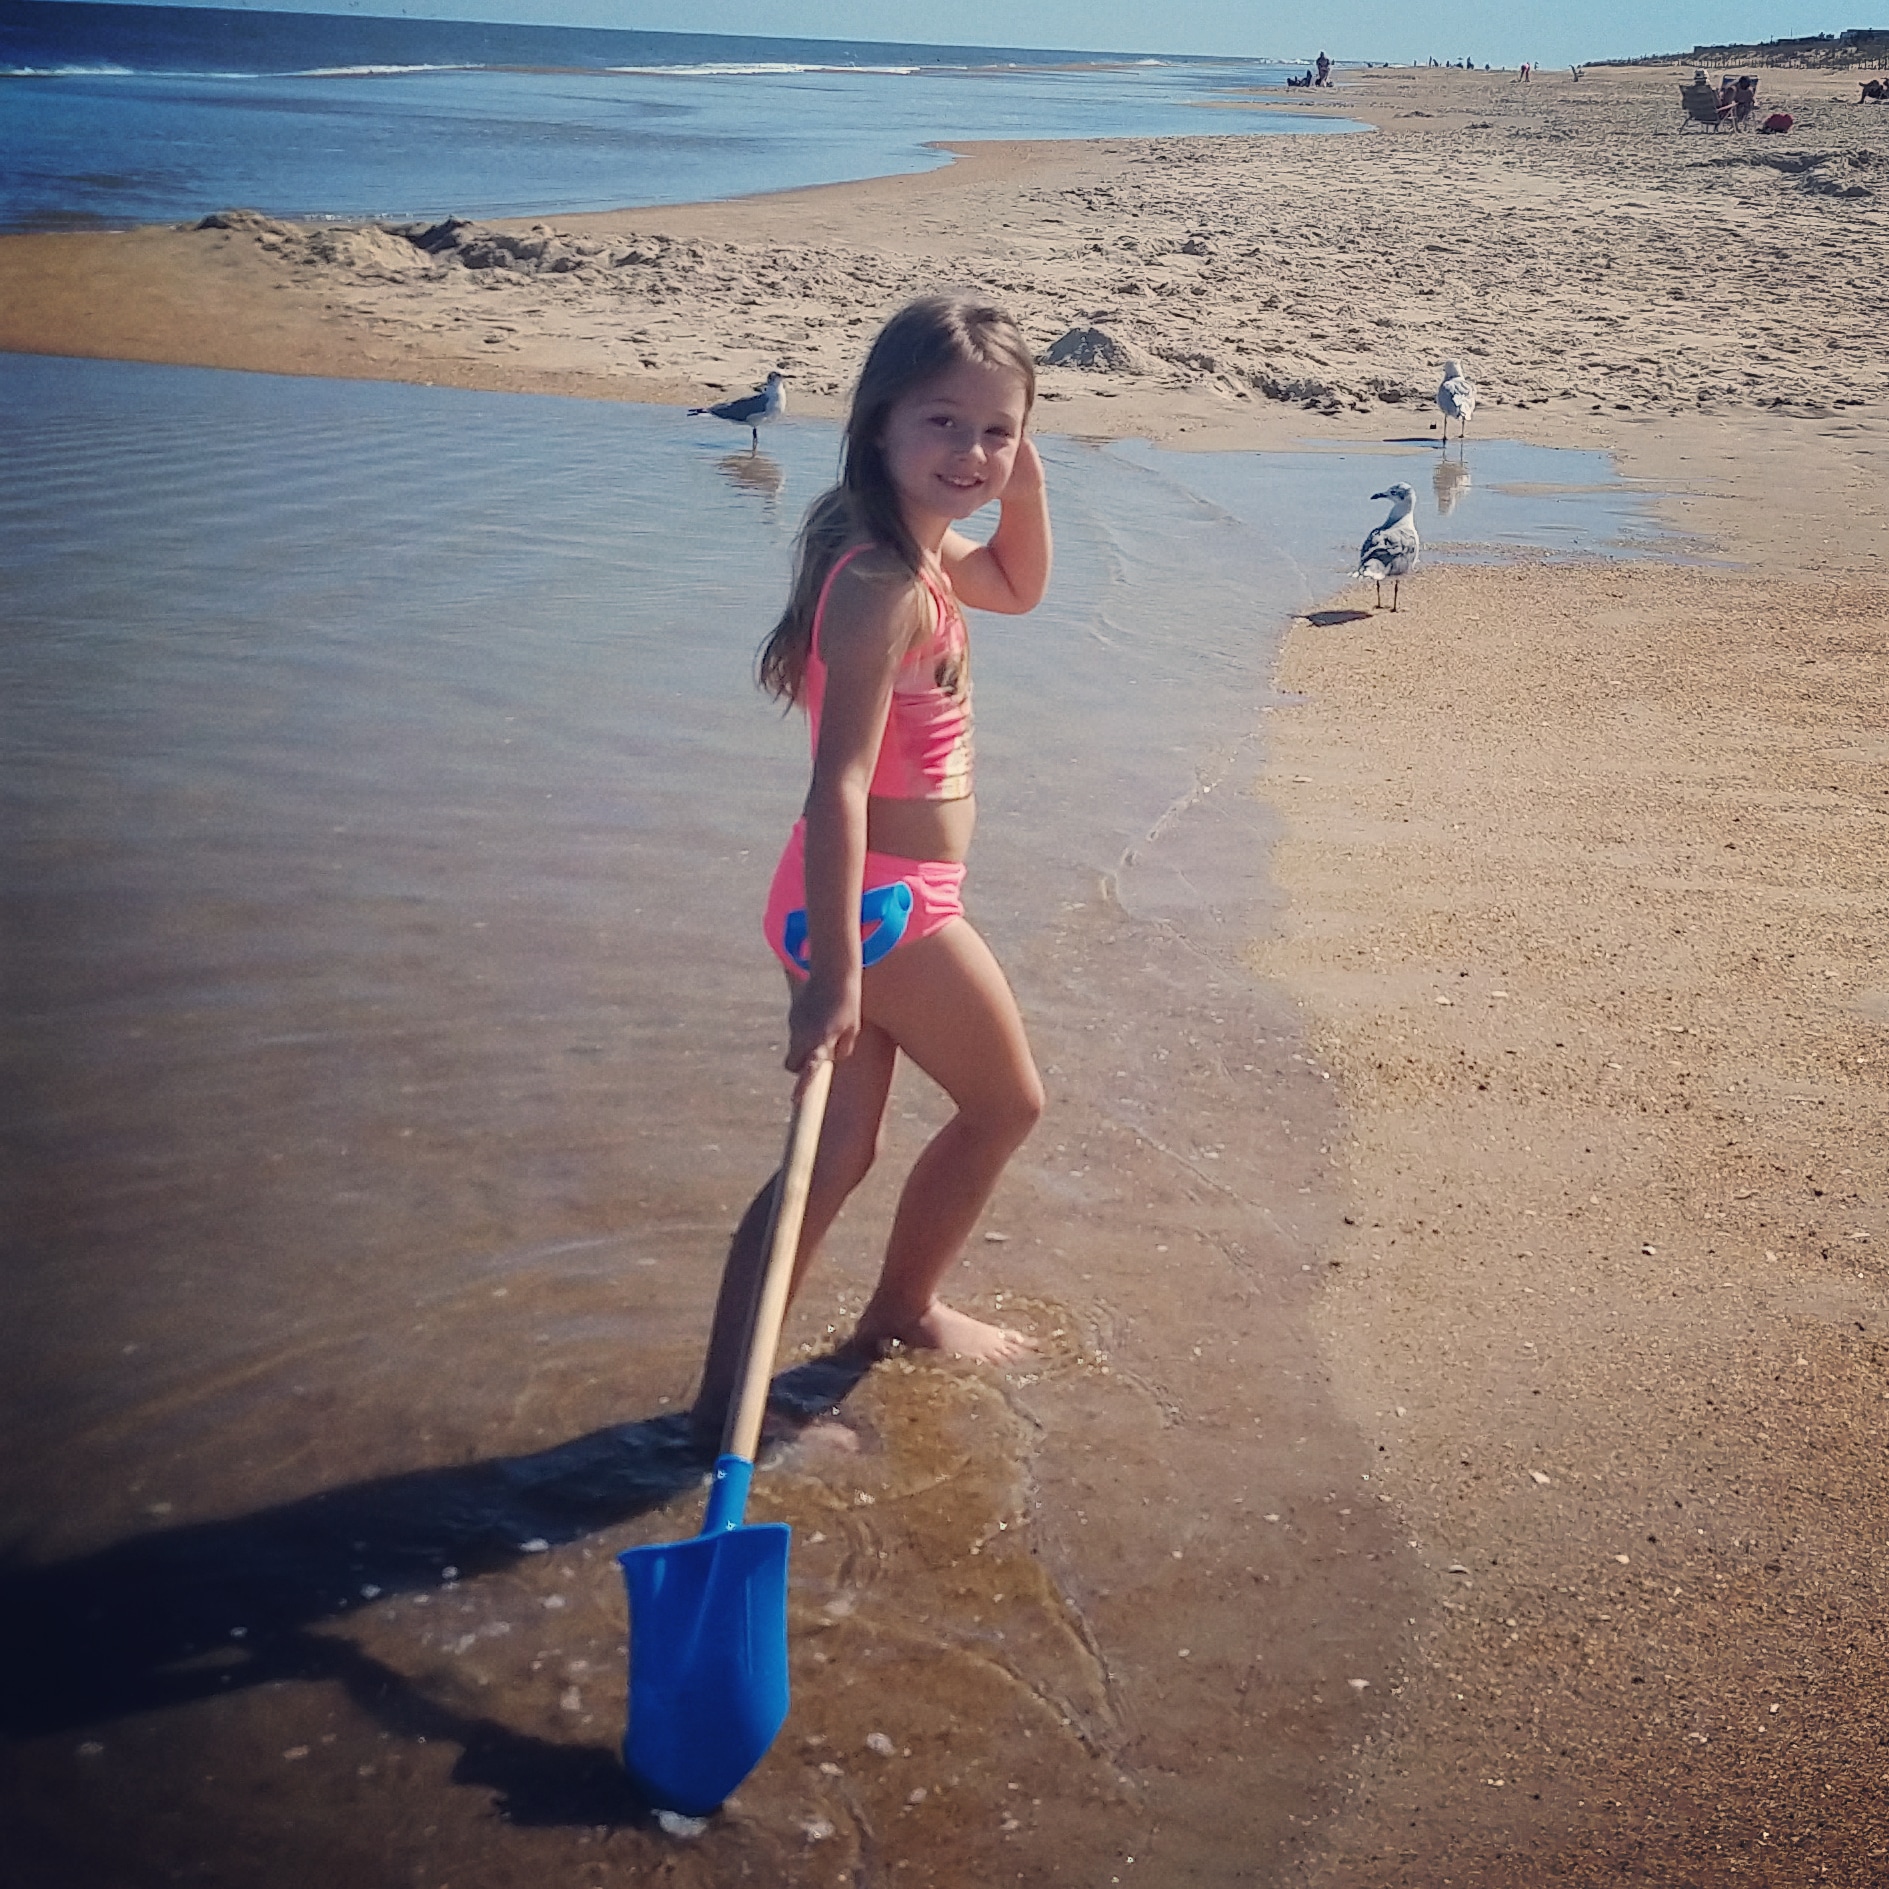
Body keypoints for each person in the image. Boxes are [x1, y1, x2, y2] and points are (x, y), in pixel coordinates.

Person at [689, 295, 1053, 1446]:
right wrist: (833, 977)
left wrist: (1020, 485)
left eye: (997, 432)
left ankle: (720, 1414)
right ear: (878, 423)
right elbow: (837, 783)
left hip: (859, 897)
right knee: (1004, 1103)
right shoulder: (882, 584)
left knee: (832, 1154)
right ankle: (896, 1314)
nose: (972, 455)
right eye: (942, 424)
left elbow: (1019, 583)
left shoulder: (905, 540)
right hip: (876, 907)